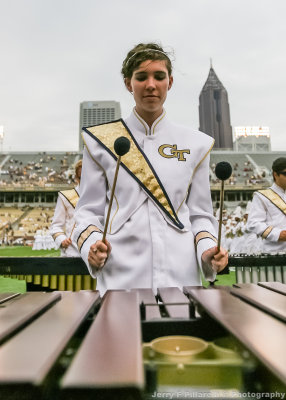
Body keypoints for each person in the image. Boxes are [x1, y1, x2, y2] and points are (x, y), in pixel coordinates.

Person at [74, 42, 228, 294]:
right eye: (141, 77)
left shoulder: (196, 144)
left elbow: (200, 215)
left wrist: (208, 250)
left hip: (181, 276)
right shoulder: (98, 141)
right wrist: (91, 244)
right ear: (128, 83)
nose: (151, 85)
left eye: (159, 76)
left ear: (170, 82)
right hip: (120, 275)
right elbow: (87, 212)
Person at [246, 157, 286, 254]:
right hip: (274, 252)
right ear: (275, 174)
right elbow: (254, 223)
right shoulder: (262, 196)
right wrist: (277, 234)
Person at [50, 160, 82, 256]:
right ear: (76, 178)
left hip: (95, 255)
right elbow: (55, 226)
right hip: (72, 253)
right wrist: (62, 240)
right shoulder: (65, 196)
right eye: (81, 177)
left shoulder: (101, 197)